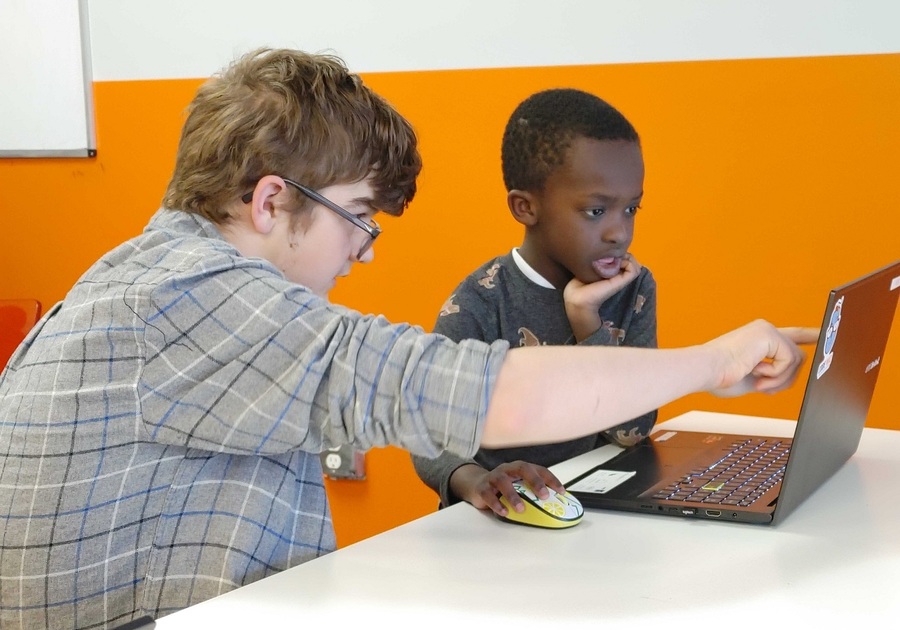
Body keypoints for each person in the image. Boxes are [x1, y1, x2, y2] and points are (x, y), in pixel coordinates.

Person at [0, 48, 816, 630]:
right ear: (272, 201)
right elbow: (463, 389)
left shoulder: (156, 277)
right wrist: (720, 361)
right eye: (359, 214)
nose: (367, 248)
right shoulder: (190, 295)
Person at [412, 88, 659, 516]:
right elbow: (428, 435)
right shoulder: (480, 303)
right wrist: (476, 482)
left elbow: (633, 430)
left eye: (631, 209)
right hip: (497, 521)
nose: (620, 232)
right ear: (525, 207)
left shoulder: (632, 289)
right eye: (597, 212)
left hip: (587, 511)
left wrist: (589, 325)